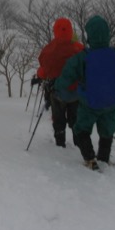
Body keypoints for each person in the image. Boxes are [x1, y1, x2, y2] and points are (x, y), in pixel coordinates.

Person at [54, 15, 115, 170]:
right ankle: (103, 158)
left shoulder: (82, 57)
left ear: (89, 35)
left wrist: (58, 86)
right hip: (111, 101)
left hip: (90, 101)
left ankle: (90, 158)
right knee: (107, 129)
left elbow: (67, 76)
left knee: (81, 128)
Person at [31, 17, 84, 147]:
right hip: (76, 92)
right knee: (75, 118)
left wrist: (39, 75)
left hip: (58, 92)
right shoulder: (79, 48)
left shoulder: (50, 49)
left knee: (58, 119)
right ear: (71, 30)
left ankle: (60, 143)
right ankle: (79, 143)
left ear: (55, 31)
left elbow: (44, 70)